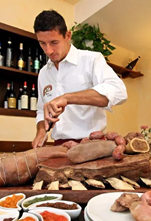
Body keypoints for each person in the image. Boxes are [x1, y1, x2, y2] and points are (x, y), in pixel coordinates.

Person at [32, 10, 127, 148]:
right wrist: (41, 130)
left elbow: (119, 92)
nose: (48, 51)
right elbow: (41, 110)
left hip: (91, 145)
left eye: (54, 42)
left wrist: (67, 98)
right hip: (59, 147)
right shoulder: (44, 73)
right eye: (42, 43)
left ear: (68, 35)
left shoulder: (92, 60)